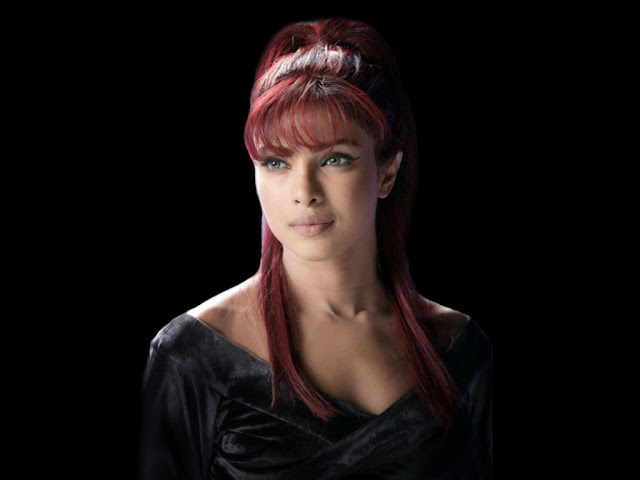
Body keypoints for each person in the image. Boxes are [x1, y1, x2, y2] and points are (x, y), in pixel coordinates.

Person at [139, 17, 492, 479]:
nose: (304, 192)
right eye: (276, 162)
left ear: (387, 172)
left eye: (334, 159)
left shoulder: (461, 350)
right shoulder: (192, 356)